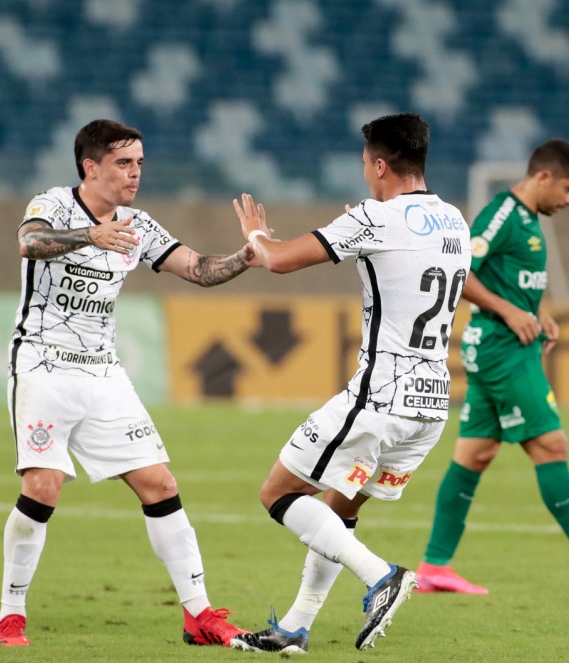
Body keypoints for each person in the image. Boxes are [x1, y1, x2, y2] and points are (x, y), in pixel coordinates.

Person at [0, 119, 257, 648]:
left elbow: (199, 269)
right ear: (90, 167)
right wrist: (91, 235)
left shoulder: (139, 224)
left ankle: (199, 615)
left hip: (103, 372)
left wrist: (249, 254)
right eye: (123, 163)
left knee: (161, 485)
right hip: (44, 363)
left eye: (139, 162)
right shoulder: (53, 204)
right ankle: (11, 615)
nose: (135, 172)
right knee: (42, 486)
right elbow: (30, 243)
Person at [227, 113, 472, 654]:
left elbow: (280, 260)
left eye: (366, 164)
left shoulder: (374, 217)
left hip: (380, 395)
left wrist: (255, 235)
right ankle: (294, 628)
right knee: (341, 506)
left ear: (379, 164)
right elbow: (403, 265)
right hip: (430, 402)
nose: (365, 174)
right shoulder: (455, 220)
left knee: (280, 492)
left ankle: (382, 576)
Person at [415, 139, 569, 596]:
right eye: (568, 190)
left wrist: (535, 309)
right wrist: (509, 312)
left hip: (507, 346)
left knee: (474, 454)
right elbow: (458, 270)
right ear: (543, 176)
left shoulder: (527, 219)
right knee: (550, 444)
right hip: (502, 351)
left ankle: (434, 566)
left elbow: (511, 278)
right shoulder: (502, 215)